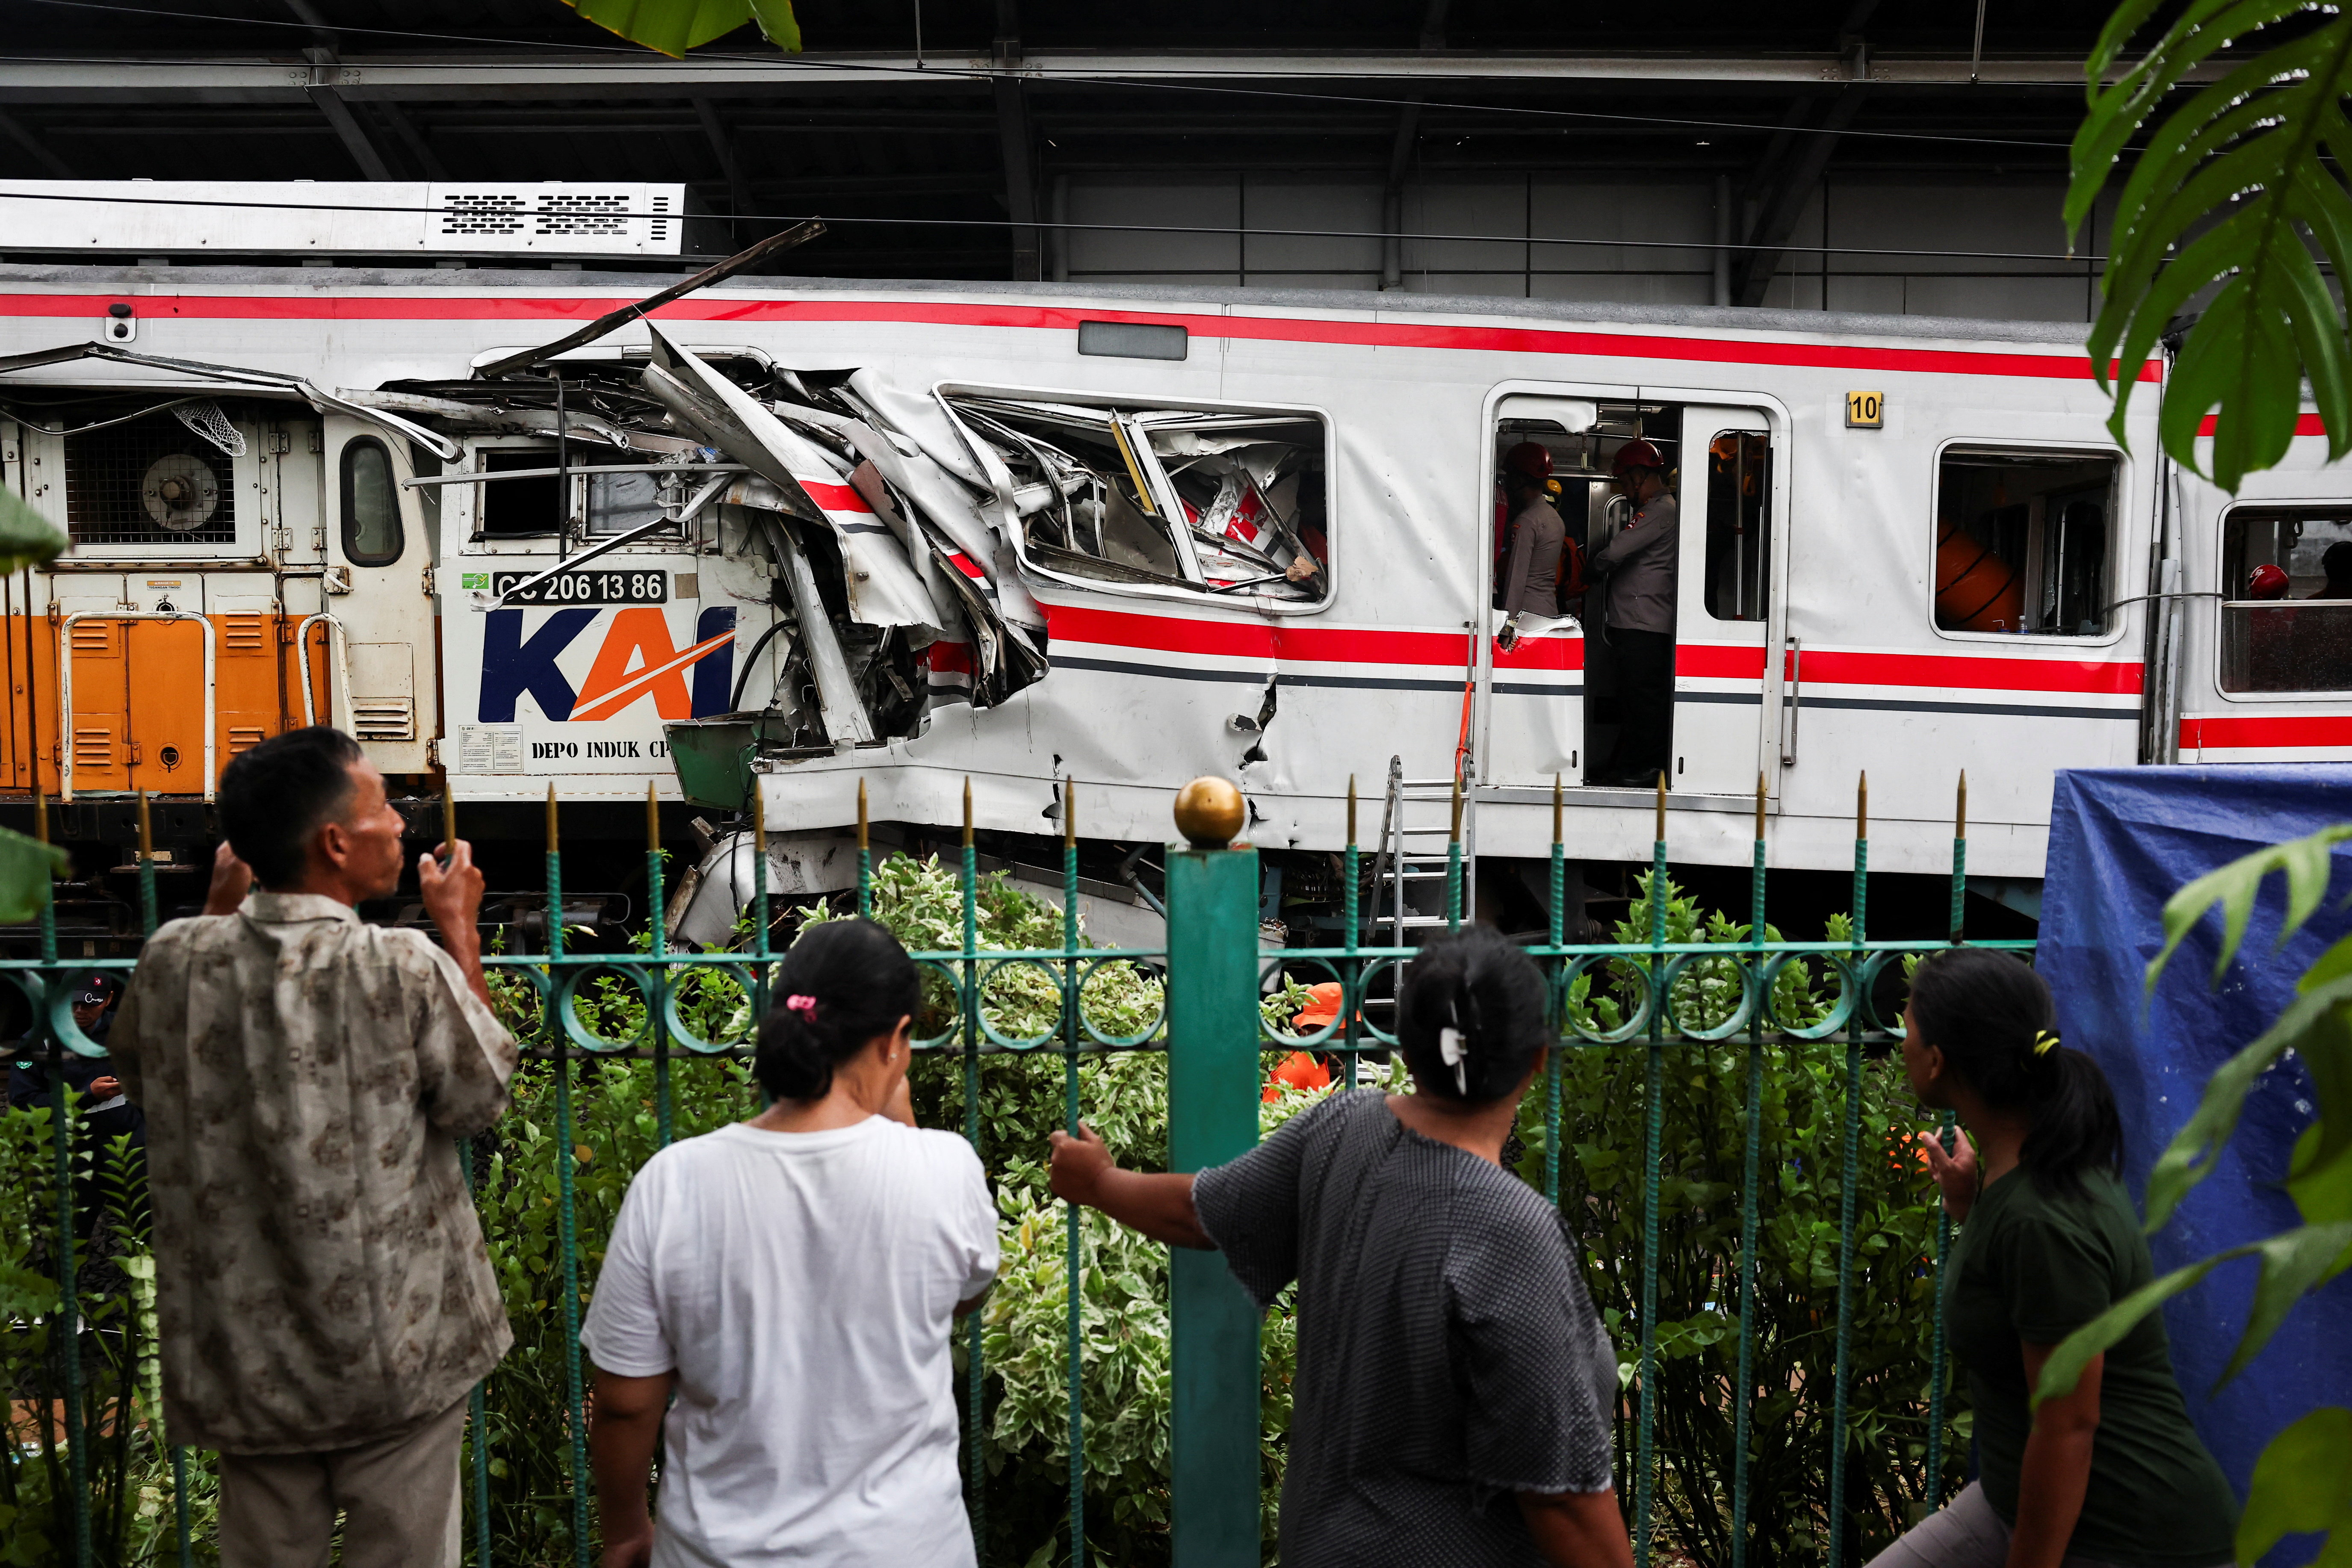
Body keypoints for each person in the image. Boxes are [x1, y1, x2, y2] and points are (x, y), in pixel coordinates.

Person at [1049, 925, 1632, 1568]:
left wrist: (1101, 1181)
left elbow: (1203, 1210)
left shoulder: (1344, 1129)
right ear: (1540, 1056)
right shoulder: (1512, 1233)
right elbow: (1563, 1500)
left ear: (1407, 1047)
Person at [109, 726, 517, 1568]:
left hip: (247, 1365)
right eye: (383, 809)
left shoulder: (174, 960)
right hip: (396, 1357)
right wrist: (461, 933)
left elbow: (153, 1073)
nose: (401, 826)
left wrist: (220, 905)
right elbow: (480, 1098)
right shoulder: (401, 967)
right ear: (335, 842)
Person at [583, 918, 998, 1568]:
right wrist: (900, 1110)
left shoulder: (675, 1181)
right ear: (894, 1040)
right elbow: (959, 1297)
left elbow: (626, 1402)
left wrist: (625, 1532)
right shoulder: (946, 1169)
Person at [1872, 948, 2237, 1568]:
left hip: (2128, 1534)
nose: (1901, 1043)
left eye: (1906, 1029)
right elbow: (2017, 1290)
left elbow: (2068, 1423)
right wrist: (1972, 1206)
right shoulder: (2029, 1172)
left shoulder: (2043, 1216)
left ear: (1937, 1059)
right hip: (2017, 1499)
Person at [10, 972, 144, 1235]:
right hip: (70, 1151)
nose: (81, 1011)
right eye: (74, 1004)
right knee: (67, 1237)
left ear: (108, 1000)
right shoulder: (38, 1039)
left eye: (90, 1003)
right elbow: (24, 1103)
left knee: (146, 1228)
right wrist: (88, 1096)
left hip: (128, 1145)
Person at [1589, 438, 1678, 787]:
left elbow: (1615, 552)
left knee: (1645, 702)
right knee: (1634, 700)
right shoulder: (1658, 510)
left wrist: (1594, 566)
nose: (1625, 491)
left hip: (1646, 626)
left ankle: (1649, 767)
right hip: (1636, 624)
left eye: (1626, 482)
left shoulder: (1660, 510)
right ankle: (1631, 763)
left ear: (1641, 475)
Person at [1496, 442, 1569, 652]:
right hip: (1547, 611)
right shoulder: (1554, 518)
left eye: (1509, 477)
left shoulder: (1527, 521)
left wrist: (1507, 627)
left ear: (1519, 479)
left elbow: (1517, 578)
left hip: (1525, 618)